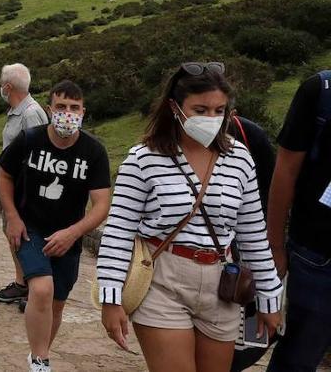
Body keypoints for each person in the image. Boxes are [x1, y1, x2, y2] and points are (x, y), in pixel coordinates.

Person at [97, 62, 282, 372]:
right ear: (174, 107)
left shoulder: (239, 159)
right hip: (162, 281)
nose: (211, 119)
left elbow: (252, 235)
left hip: (222, 285)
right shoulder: (143, 159)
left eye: (219, 110)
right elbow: (118, 231)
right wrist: (111, 298)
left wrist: (269, 298)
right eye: (200, 110)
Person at [0, 80, 111, 372]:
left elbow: (101, 204)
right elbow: (4, 175)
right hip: (30, 228)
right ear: (50, 108)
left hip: (68, 235)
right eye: (61, 106)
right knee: (42, 289)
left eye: (74, 108)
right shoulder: (29, 140)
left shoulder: (94, 152)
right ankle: (40, 360)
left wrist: (74, 232)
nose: (67, 113)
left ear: (83, 111)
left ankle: (41, 352)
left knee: (57, 303)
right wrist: (12, 216)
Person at [266, 72, 331, 371]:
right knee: (298, 358)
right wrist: (275, 246)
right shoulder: (320, 92)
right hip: (316, 255)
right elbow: (285, 172)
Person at [0, 63, 53, 304]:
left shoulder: (31, 113)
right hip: (14, 184)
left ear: (8, 86)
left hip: (25, 187)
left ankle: (29, 284)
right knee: (12, 233)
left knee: (24, 234)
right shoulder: (18, 111)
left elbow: (41, 152)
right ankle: (22, 282)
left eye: (1, 84)